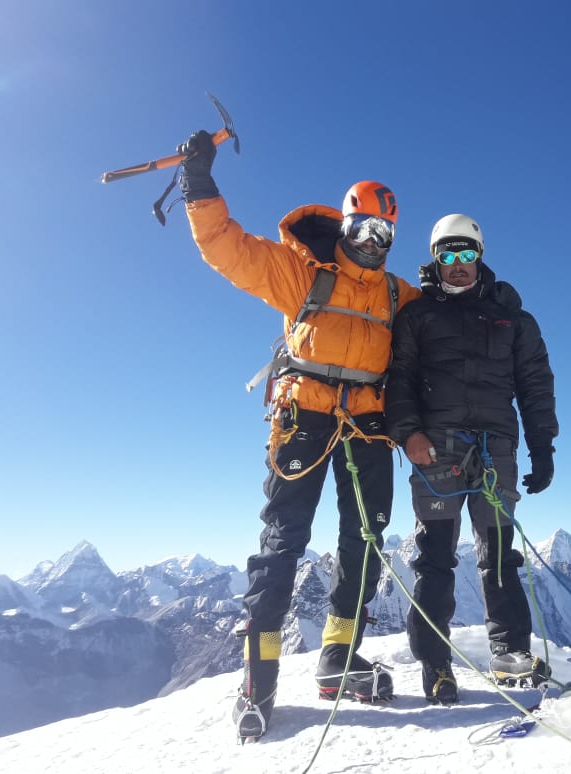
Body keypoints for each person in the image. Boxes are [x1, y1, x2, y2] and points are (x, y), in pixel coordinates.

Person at [176, 130, 421, 739]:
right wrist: (200, 186)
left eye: (383, 236)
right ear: (344, 225)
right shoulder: (300, 274)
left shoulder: (400, 297)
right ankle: (259, 676)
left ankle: (337, 657)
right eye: (363, 229)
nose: (372, 244)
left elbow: (445, 328)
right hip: (304, 417)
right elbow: (229, 249)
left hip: (367, 425)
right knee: (284, 539)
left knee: (364, 538)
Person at [384, 213, 559, 704]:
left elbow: (535, 386)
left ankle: (510, 657)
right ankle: (436, 664)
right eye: (448, 254)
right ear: (435, 258)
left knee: (499, 554)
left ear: (479, 256)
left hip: (495, 448)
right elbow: (398, 380)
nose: (457, 264)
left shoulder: (513, 319)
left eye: (466, 253)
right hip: (435, 447)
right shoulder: (418, 316)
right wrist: (408, 434)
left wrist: (541, 445)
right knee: (435, 556)